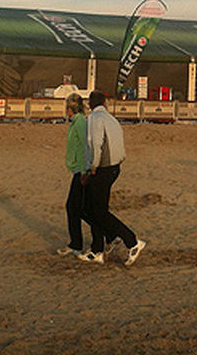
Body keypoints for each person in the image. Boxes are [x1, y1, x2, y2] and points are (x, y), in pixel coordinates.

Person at [78, 91, 146, 265]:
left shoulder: (94, 119)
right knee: (94, 209)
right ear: (105, 104)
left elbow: (95, 145)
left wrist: (90, 169)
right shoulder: (111, 119)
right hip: (114, 167)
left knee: (95, 210)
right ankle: (101, 246)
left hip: (102, 169)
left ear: (89, 105)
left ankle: (130, 241)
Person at [56, 93, 88, 257]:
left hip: (81, 170)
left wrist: (83, 171)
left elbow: (84, 146)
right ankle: (76, 242)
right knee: (78, 208)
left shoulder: (80, 122)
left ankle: (76, 243)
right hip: (77, 169)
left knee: (74, 207)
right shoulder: (76, 121)